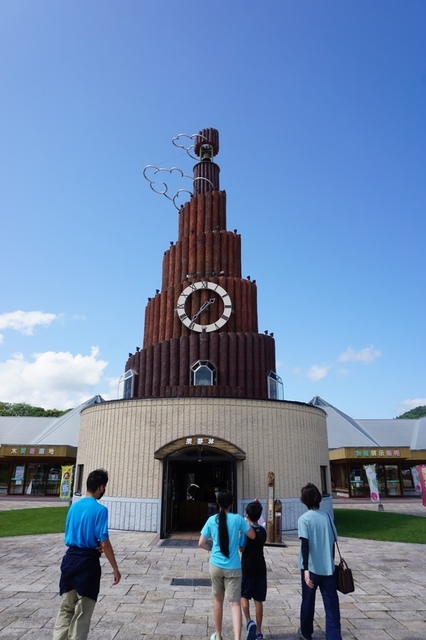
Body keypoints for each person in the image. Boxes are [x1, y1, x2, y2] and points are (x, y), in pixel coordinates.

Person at [52, 468, 121, 640]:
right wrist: (115, 568)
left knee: (66, 608)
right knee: (82, 612)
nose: (104, 491)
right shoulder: (100, 510)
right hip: (88, 564)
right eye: (104, 487)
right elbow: (104, 541)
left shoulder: (74, 507)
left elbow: (69, 533)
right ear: (100, 487)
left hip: (70, 560)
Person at [198, 489, 256, 640]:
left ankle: (218, 636)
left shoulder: (211, 520)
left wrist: (212, 548)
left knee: (218, 600)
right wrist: (246, 524)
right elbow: (252, 535)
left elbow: (201, 543)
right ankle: (237, 638)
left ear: (217, 503)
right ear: (231, 503)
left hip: (216, 566)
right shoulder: (237, 519)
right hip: (234, 567)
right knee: (235, 603)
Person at [297, 483, 342, 640]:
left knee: (308, 602)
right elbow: (332, 543)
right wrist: (330, 562)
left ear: (304, 500)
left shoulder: (304, 519)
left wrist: (306, 570)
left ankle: (306, 632)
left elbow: (305, 544)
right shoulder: (327, 517)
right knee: (331, 606)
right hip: (328, 569)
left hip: (311, 569)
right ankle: (334, 636)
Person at [239, 501, 267, 640]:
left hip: (247, 567)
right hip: (260, 567)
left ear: (247, 516)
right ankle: (259, 632)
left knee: (244, 595)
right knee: (258, 599)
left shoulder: (246, 531)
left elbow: (241, 547)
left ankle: (249, 621)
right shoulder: (263, 531)